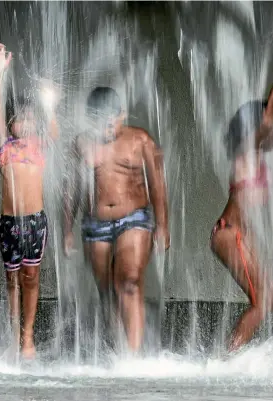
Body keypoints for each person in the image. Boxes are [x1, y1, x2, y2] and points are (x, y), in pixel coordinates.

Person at [63, 87, 169, 352]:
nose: (108, 126)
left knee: (130, 283)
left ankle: (132, 359)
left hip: (133, 219)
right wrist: (66, 229)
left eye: (113, 119)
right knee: (107, 291)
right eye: (100, 120)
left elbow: (157, 184)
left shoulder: (140, 140)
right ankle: (119, 350)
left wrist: (163, 225)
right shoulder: (81, 144)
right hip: (94, 225)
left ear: (122, 114)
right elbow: (72, 189)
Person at [0, 41, 59, 359]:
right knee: (12, 280)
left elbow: (55, 129)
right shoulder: (5, 146)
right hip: (10, 223)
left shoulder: (40, 145)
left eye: (31, 119)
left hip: (35, 222)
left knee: (32, 277)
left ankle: (27, 336)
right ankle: (14, 333)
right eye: (20, 120)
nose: (25, 124)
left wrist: (49, 104)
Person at [210, 87, 273, 353]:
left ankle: (232, 355)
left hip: (236, 235)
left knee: (267, 298)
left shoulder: (255, 157)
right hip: (229, 234)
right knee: (262, 302)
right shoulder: (247, 151)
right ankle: (225, 359)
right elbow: (268, 123)